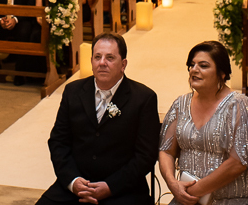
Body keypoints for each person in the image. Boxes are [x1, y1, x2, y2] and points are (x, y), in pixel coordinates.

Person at [37, 33, 160, 205]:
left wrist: (110, 186)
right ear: (91, 61)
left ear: (123, 64)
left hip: (122, 190)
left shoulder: (143, 98)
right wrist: (73, 182)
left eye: (110, 58)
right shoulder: (73, 91)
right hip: (76, 187)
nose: (102, 63)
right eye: (97, 57)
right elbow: (58, 142)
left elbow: (146, 156)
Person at [159, 41, 248, 205]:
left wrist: (194, 191)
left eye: (203, 66)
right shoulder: (181, 104)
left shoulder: (239, 105)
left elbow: (238, 163)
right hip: (187, 198)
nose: (194, 70)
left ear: (222, 73)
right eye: (191, 65)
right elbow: (166, 151)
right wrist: (173, 184)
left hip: (233, 199)